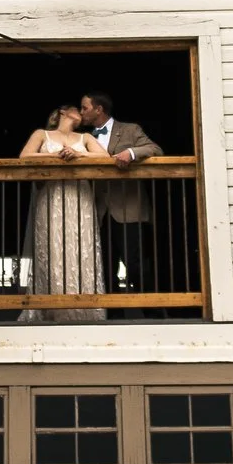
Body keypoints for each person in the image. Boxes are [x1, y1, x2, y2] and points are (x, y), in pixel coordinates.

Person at [18, 104, 108, 322]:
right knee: (53, 247)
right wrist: (55, 157)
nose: (81, 112)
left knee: (81, 247)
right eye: (77, 108)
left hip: (80, 197)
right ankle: (53, 307)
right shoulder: (42, 134)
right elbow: (24, 156)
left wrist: (78, 154)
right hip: (51, 196)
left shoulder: (85, 137)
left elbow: (105, 157)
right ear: (63, 112)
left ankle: (85, 308)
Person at [76, 92, 165, 295]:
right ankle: (112, 311)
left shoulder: (129, 129)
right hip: (98, 211)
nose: (81, 112)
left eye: (85, 108)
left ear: (99, 109)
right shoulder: (84, 137)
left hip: (128, 208)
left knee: (135, 264)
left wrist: (131, 153)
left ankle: (151, 309)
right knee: (104, 266)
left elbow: (155, 149)